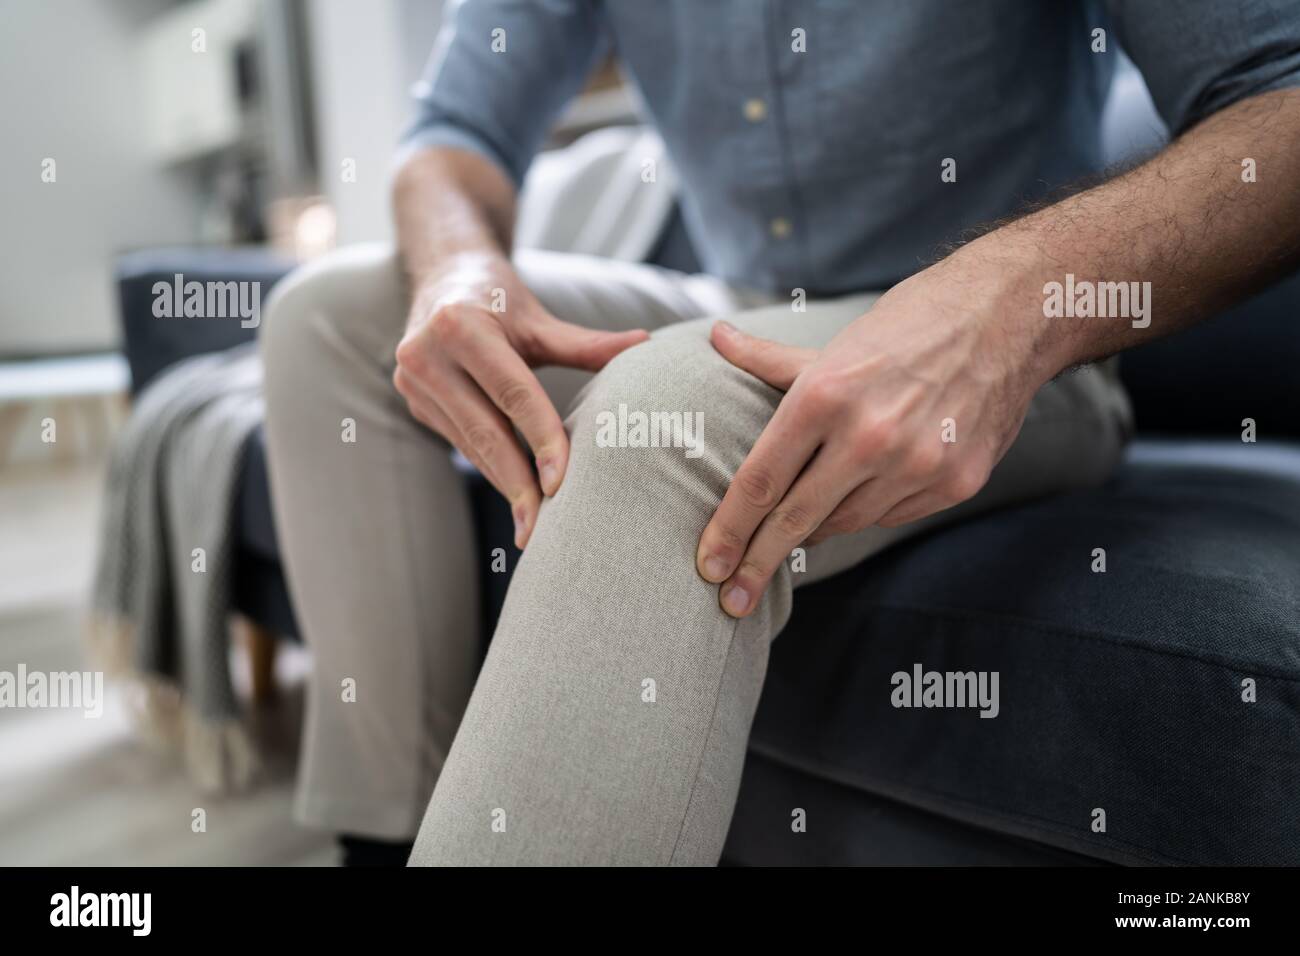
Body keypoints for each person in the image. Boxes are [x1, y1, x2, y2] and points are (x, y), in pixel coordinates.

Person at [261, 0, 1300, 865]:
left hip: (1029, 354)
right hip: (740, 296)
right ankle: (387, 840)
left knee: (666, 410)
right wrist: (454, 264)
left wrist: (1008, 298)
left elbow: (1278, 96)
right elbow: (454, 137)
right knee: (325, 318)